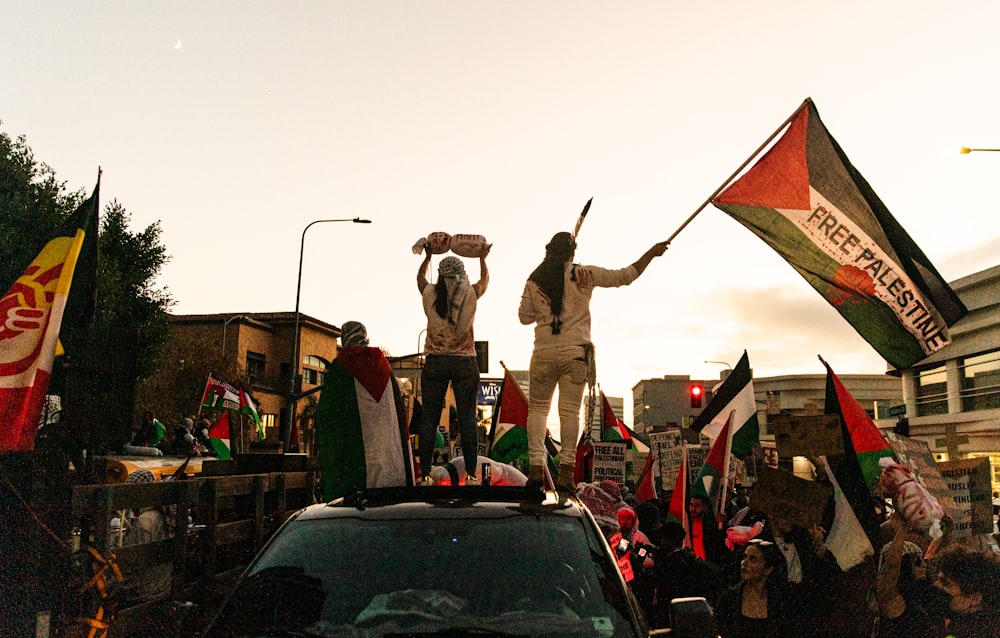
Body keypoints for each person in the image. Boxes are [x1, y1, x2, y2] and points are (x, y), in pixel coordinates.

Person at [518, 232, 668, 490]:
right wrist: (650, 255)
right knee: (569, 413)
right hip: (576, 352)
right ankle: (566, 473)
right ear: (572, 254)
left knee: (538, 411)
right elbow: (625, 276)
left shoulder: (535, 280)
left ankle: (535, 470)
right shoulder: (584, 274)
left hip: (543, 352)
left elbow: (524, 317)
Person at [315, 321, 415, 499]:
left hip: (355, 472)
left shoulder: (341, 368)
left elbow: (328, 416)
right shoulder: (385, 367)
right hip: (391, 470)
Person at [417, 247, 490, 485]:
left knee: (429, 418)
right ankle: (470, 475)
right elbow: (485, 281)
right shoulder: (470, 292)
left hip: (436, 361)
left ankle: (426, 474)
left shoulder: (430, 292)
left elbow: (419, 279)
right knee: (468, 418)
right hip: (464, 361)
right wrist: (482, 259)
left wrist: (427, 258)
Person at [874, 515, 946, 638]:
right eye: (917, 561)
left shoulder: (923, 592)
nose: (924, 565)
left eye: (923, 560)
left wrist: (946, 528)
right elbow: (891, 567)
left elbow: (940, 557)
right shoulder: (891, 599)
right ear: (904, 565)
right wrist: (902, 528)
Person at [715, 539, 789, 637]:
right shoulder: (729, 598)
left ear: (768, 570)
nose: (744, 563)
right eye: (744, 557)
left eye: (753, 559)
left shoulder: (780, 600)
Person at [933, 546, 1000, 636]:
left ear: (975, 598)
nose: (937, 585)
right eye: (938, 579)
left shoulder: (969, 632)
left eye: (946, 583)